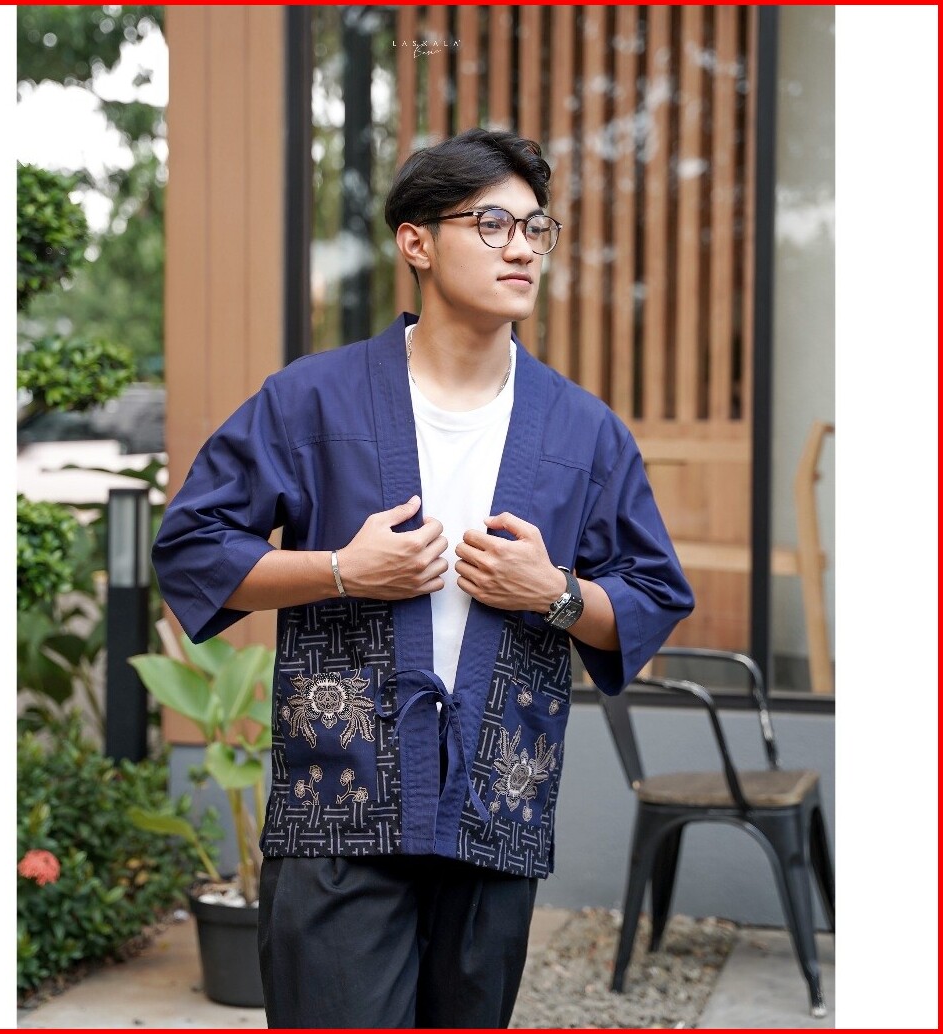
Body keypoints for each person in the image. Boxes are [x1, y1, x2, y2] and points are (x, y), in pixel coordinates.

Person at [152, 128, 694, 1028]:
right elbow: (193, 546)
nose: (523, 248)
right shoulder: (311, 400)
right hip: (339, 810)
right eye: (492, 224)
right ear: (417, 242)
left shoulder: (584, 431)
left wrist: (554, 593)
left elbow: (650, 595)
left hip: (495, 814)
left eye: (536, 228)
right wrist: (340, 569)